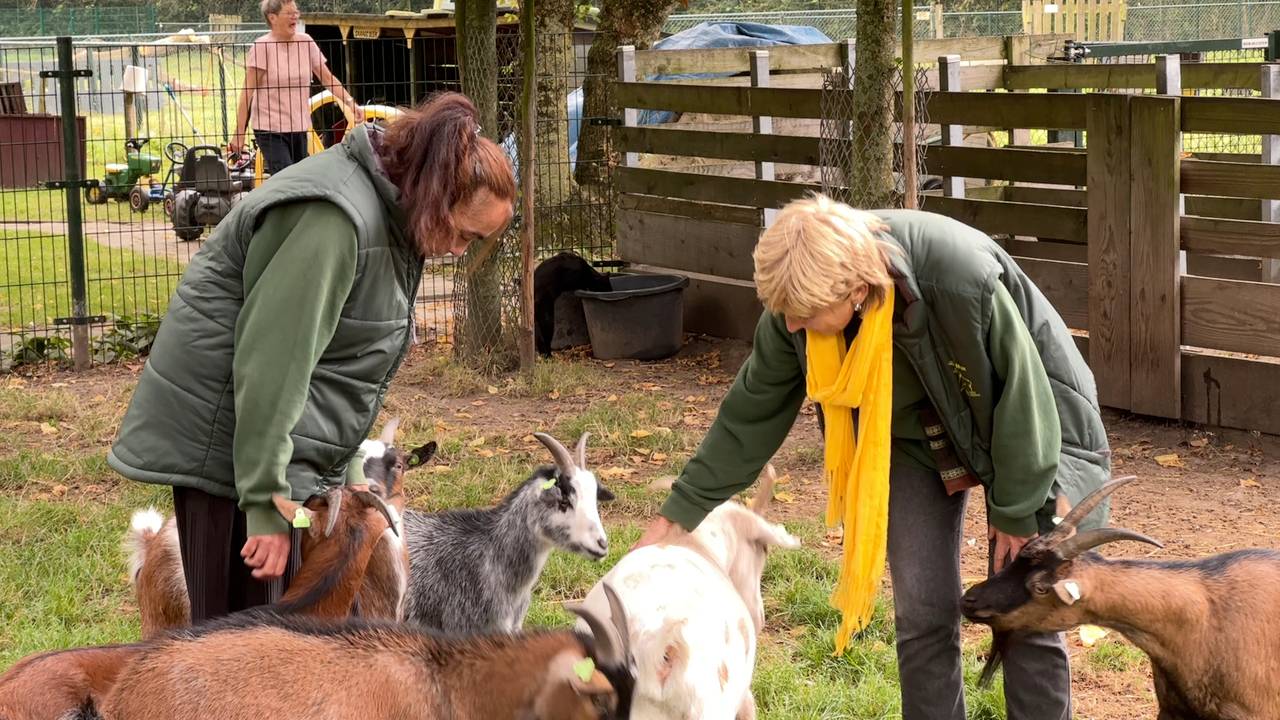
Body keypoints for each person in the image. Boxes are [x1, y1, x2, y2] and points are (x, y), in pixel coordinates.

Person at [634, 195, 1114, 720]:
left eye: (805, 316)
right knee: (923, 614)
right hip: (907, 439)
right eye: (785, 315)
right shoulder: (793, 310)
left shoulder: (959, 279)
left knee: (1027, 604)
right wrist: (676, 516)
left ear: (858, 291)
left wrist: (1018, 511)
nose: (793, 327)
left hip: (1031, 426)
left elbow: (1024, 398)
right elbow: (749, 417)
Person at [108, 92, 515, 622]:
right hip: (232, 461)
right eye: (464, 233)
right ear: (438, 193)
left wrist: (342, 470)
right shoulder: (334, 219)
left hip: (270, 458)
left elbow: (336, 366)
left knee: (285, 655)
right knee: (241, 666)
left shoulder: (388, 222)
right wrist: (264, 502)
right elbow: (272, 366)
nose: (461, 250)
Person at [229, 0, 361, 175]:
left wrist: (350, 103)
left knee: (299, 178)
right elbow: (247, 93)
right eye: (289, 13)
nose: (295, 17)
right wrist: (239, 133)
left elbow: (328, 78)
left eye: (296, 12)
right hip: (270, 128)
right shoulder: (262, 47)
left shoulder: (306, 42)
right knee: (287, 178)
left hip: (299, 126)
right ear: (272, 18)